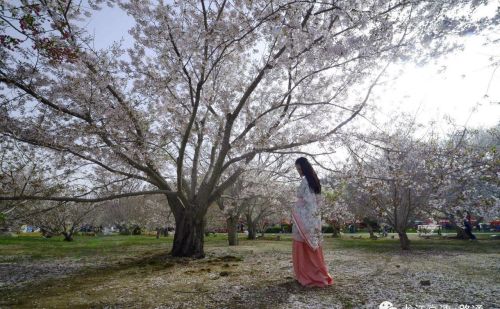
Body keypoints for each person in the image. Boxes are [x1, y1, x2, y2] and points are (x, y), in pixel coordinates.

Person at [291, 157, 333, 287]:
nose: (298, 171)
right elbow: (317, 202)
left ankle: (308, 275)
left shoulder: (305, 181)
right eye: (297, 169)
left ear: (304, 167)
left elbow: (309, 202)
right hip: (314, 218)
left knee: (304, 246)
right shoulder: (314, 181)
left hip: (305, 218)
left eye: (299, 168)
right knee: (312, 248)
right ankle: (316, 274)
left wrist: (297, 207)